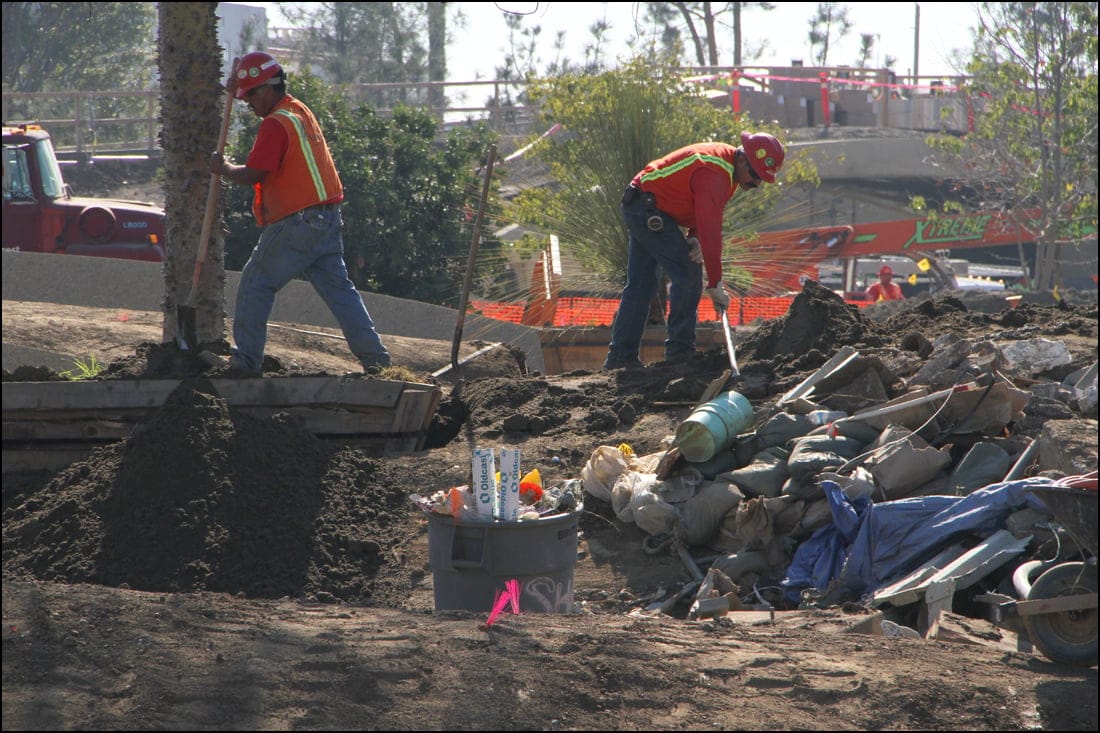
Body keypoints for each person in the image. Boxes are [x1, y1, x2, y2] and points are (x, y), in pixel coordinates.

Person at [210, 51, 391, 376]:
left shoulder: (275, 124)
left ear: (267, 89)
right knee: (341, 294)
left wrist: (223, 168)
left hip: (299, 222)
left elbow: (254, 173)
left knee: (255, 283)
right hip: (327, 218)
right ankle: (378, 363)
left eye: (250, 95)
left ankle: (245, 365)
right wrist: (237, 82)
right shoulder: (298, 111)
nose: (247, 103)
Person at [602, 133, 786, 369]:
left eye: (762, 179)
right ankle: (679, 354)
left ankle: (620, 358)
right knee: (688, 274)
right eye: (755, 175)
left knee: (641, 285)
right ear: (742, 160)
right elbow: (712, 232)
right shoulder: (716, 172)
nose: (756, 183)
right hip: (647, 207)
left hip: (642, 203)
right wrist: (715, 283)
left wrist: (695, 237)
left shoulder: (727, 169)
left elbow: (701, 213)